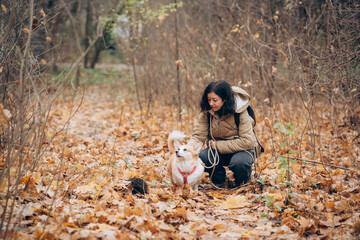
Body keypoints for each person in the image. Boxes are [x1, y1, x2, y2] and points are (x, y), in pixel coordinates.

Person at [187, 80, 260, 189]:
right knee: (203, 156)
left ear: (225, 99)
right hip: (218, 152)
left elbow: (247, 141)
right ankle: (219, 182)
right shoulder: (208, 112)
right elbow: (198, 136)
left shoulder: (240, 112)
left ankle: (241, 183)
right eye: (209, 100)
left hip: (242, 150)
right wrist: (187, 150)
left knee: (239, 163)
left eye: (215, 100)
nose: (211, 103)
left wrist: (218, 146)